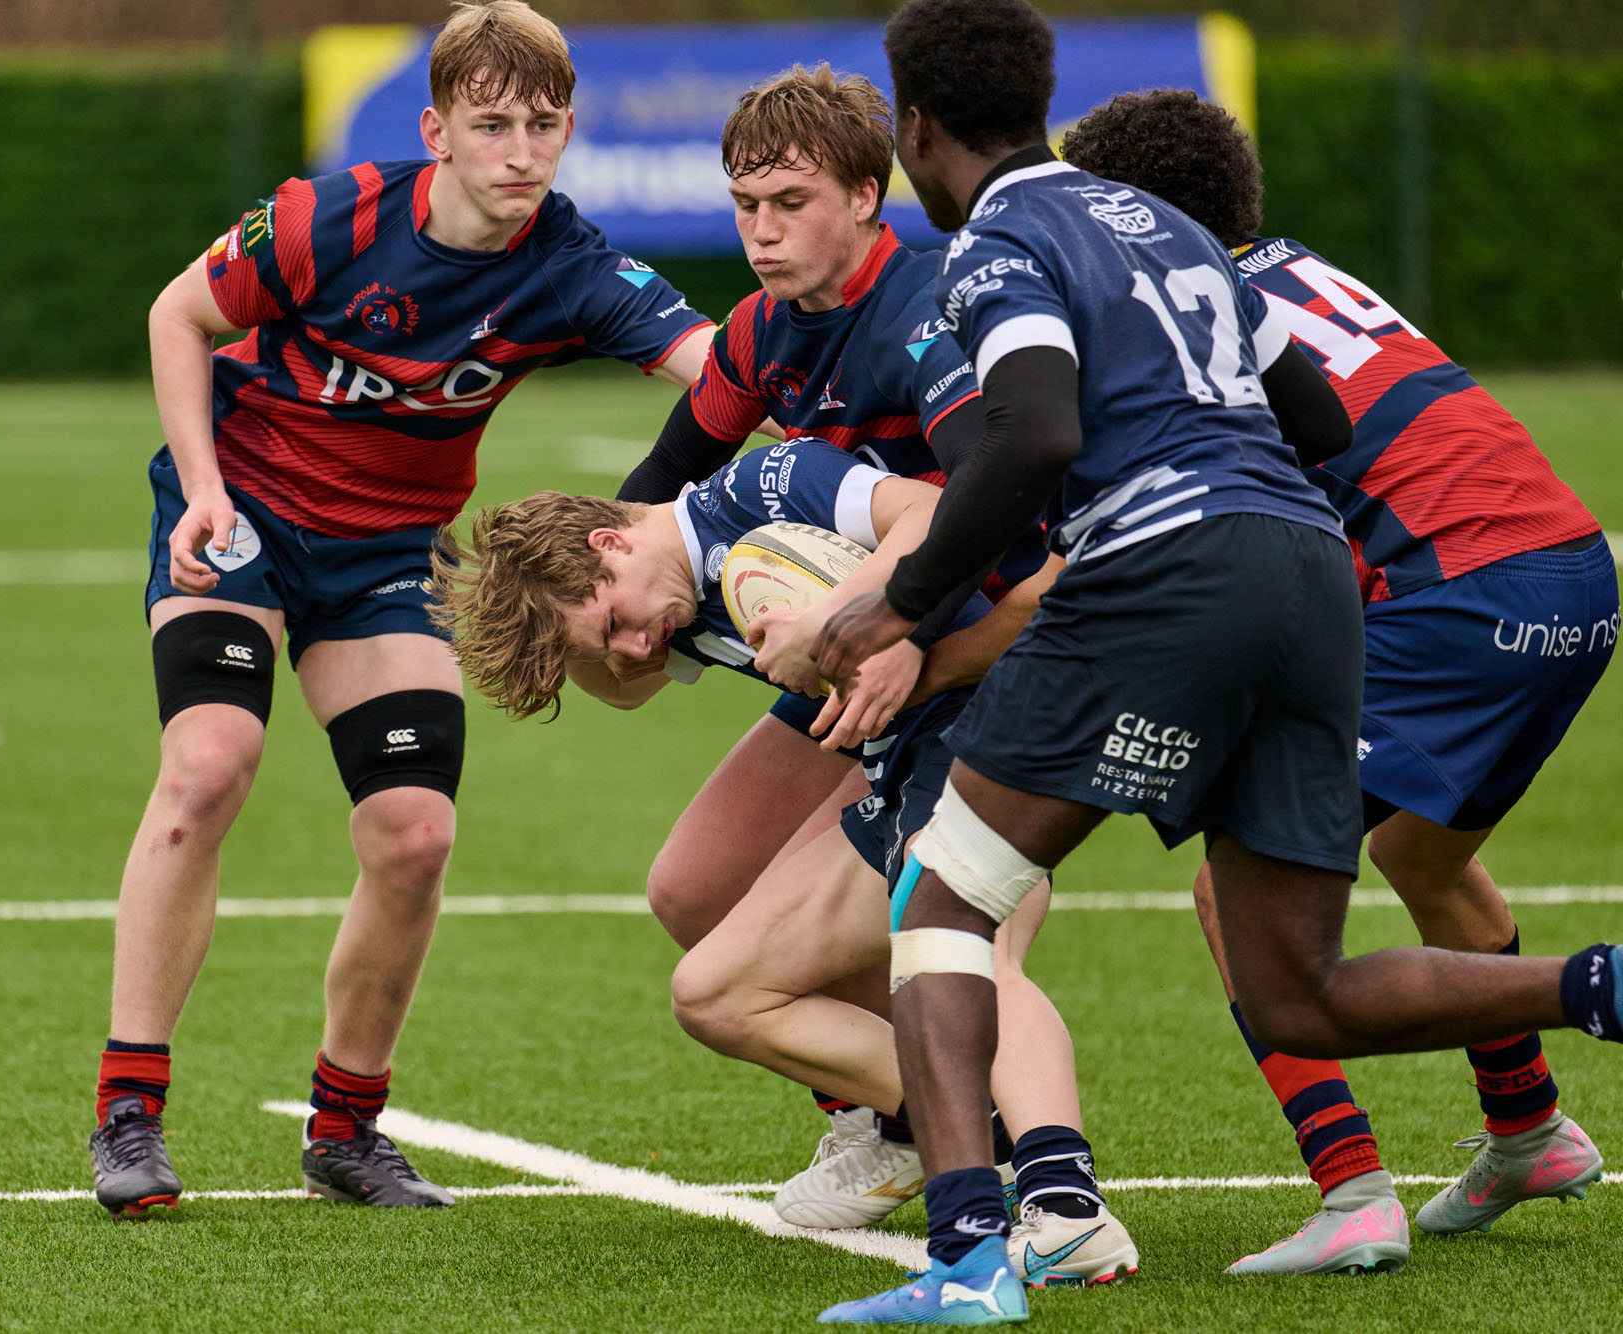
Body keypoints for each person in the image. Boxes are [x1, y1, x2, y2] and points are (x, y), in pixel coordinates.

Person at [806, 0, 1622, 1324]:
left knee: (943, 898)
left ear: (916, 125)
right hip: (1313, 572)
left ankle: (967, 1263)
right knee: (1295, 982)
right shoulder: (1178, 228)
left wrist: (898, 603)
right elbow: (1319, 416)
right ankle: (1601, 986)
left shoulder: (996, 239)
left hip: (1176, 569)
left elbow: (1031, 433)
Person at [85, 0, 714, 1218]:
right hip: (241, 514)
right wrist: (201, 488)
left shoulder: (570, 265)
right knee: (208, 765)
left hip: (384, 553)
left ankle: (345, 1129)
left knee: (414, 833)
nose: (519, 152)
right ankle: (129, 1109)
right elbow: (179, 314)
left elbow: (723, 368)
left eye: (542, 125)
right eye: (491, 125)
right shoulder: (328, 219)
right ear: (436, 131)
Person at [1059, 88, 1615, 1274]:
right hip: (1573, 578)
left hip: (1461, 596)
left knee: (1234, 894)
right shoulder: (1294, 269)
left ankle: (1350, 1190)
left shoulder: (1189, 316)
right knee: (1423, 855)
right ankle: (1527, 1128)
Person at [431, 437, 1135, 1286]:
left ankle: (1065, 1203)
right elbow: (619, 687)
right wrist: (525, 623)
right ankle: (941, 1124)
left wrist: (839, 616)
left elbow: (929, 512)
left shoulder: (759, 488)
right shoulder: (671, 594)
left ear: (611, 542)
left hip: (992, 705)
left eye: (616, 624)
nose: (634, 650)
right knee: (707, 960)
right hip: (900, 742)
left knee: (963, 949)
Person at [609, 63, 1055, 1233]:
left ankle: (1027, 1158)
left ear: (865, 195)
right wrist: (594, 593)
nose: (761, 231)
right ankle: (890, 1113)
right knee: (692, 884)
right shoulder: (758, 332)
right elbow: (657, 487)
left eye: (790, 202)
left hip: (993, 644)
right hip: (868, 642)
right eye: (744, 205)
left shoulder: (924, 313)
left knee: (950, 933)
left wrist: (905, 631)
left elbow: (996, 498)